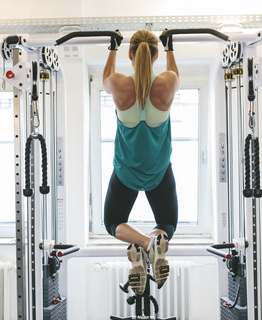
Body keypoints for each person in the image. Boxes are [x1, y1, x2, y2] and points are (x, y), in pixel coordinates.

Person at [102, 29, 179, 295]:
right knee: (168, 223)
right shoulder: (168, 83)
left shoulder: (119, 84)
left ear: (131, 54)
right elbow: (174, 74)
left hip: (126, 171)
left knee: (113, 222)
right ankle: (153, 244)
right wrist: (171, 49)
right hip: (159, 171)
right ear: (156, 54)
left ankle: (144, 245)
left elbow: (105, 78)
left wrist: (112, 48)